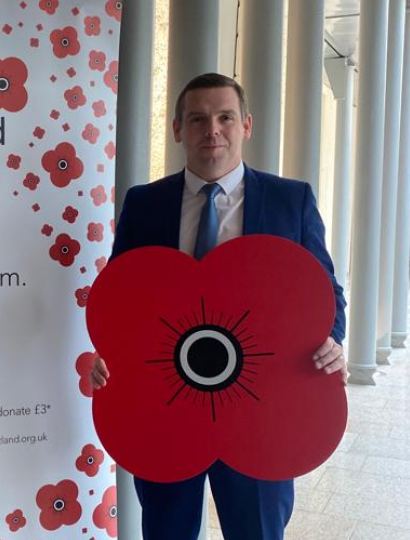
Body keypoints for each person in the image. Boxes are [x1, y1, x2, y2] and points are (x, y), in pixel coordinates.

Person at [91, 73, 347, 540]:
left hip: (259, 411)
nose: (213, 129)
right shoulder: (145, 204)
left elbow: (325, 293)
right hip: (166, 410)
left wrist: (333, 341)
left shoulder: (292, 201)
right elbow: (120, 300)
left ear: (245, 124)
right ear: (177, 130)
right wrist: (108, 357)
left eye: (225, 117)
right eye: (198, 118)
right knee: (167, 530)